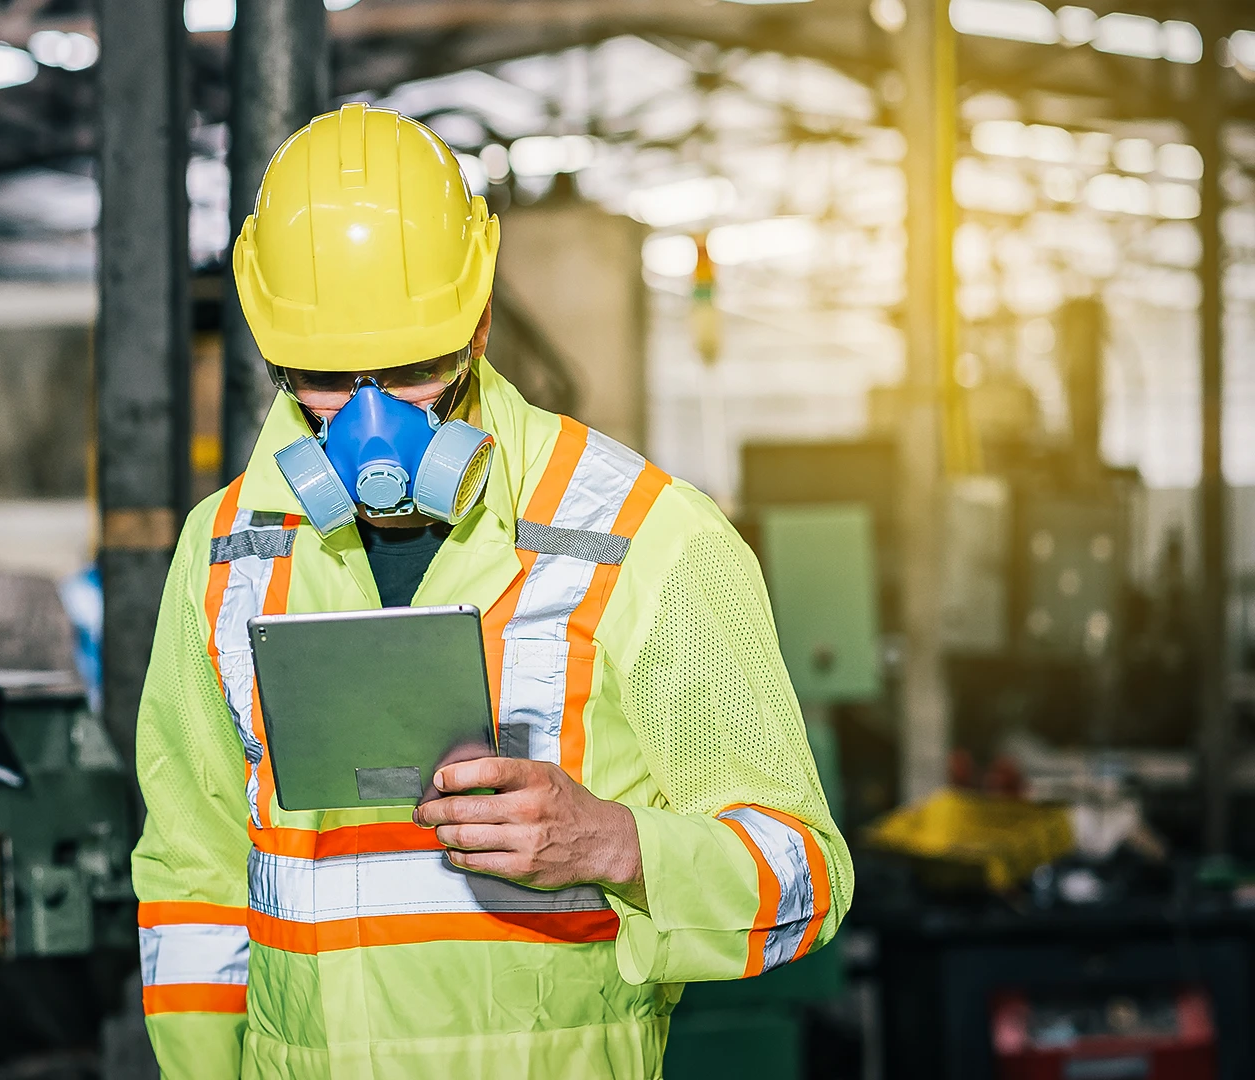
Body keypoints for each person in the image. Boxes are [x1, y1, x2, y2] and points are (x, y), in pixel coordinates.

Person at [130, 103, 850, 1079]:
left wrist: (617, 844)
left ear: (476, 321)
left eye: (413, 368)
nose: (371, 427)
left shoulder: (646, 537)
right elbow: (191, 882)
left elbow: (810, 877)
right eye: (330, 378)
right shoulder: (225, 553)